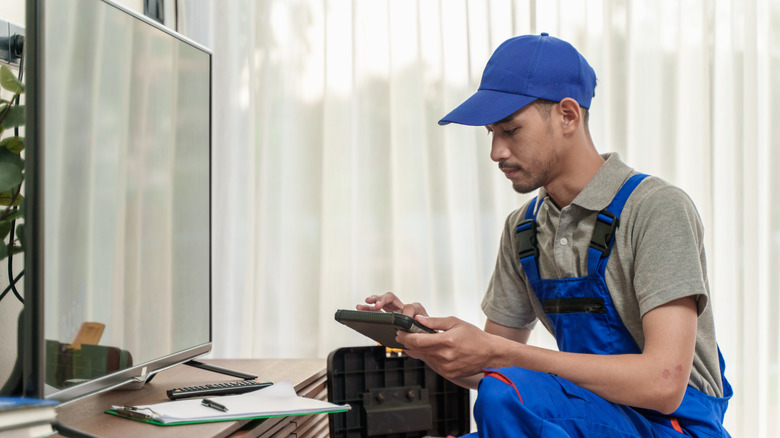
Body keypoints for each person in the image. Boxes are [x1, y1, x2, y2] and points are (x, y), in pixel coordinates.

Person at [357, 33, 732, 437]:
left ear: (568, 116)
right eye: (491, 134)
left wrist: (502, 355)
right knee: (498, 396)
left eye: (510, 130)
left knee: (505, 396)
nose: (496, 151)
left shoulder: (656, 209)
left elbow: (663, 384)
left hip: (675, 425)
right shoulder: (524, 229)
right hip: (589, 415)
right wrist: (430, 344)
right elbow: (490, 368)